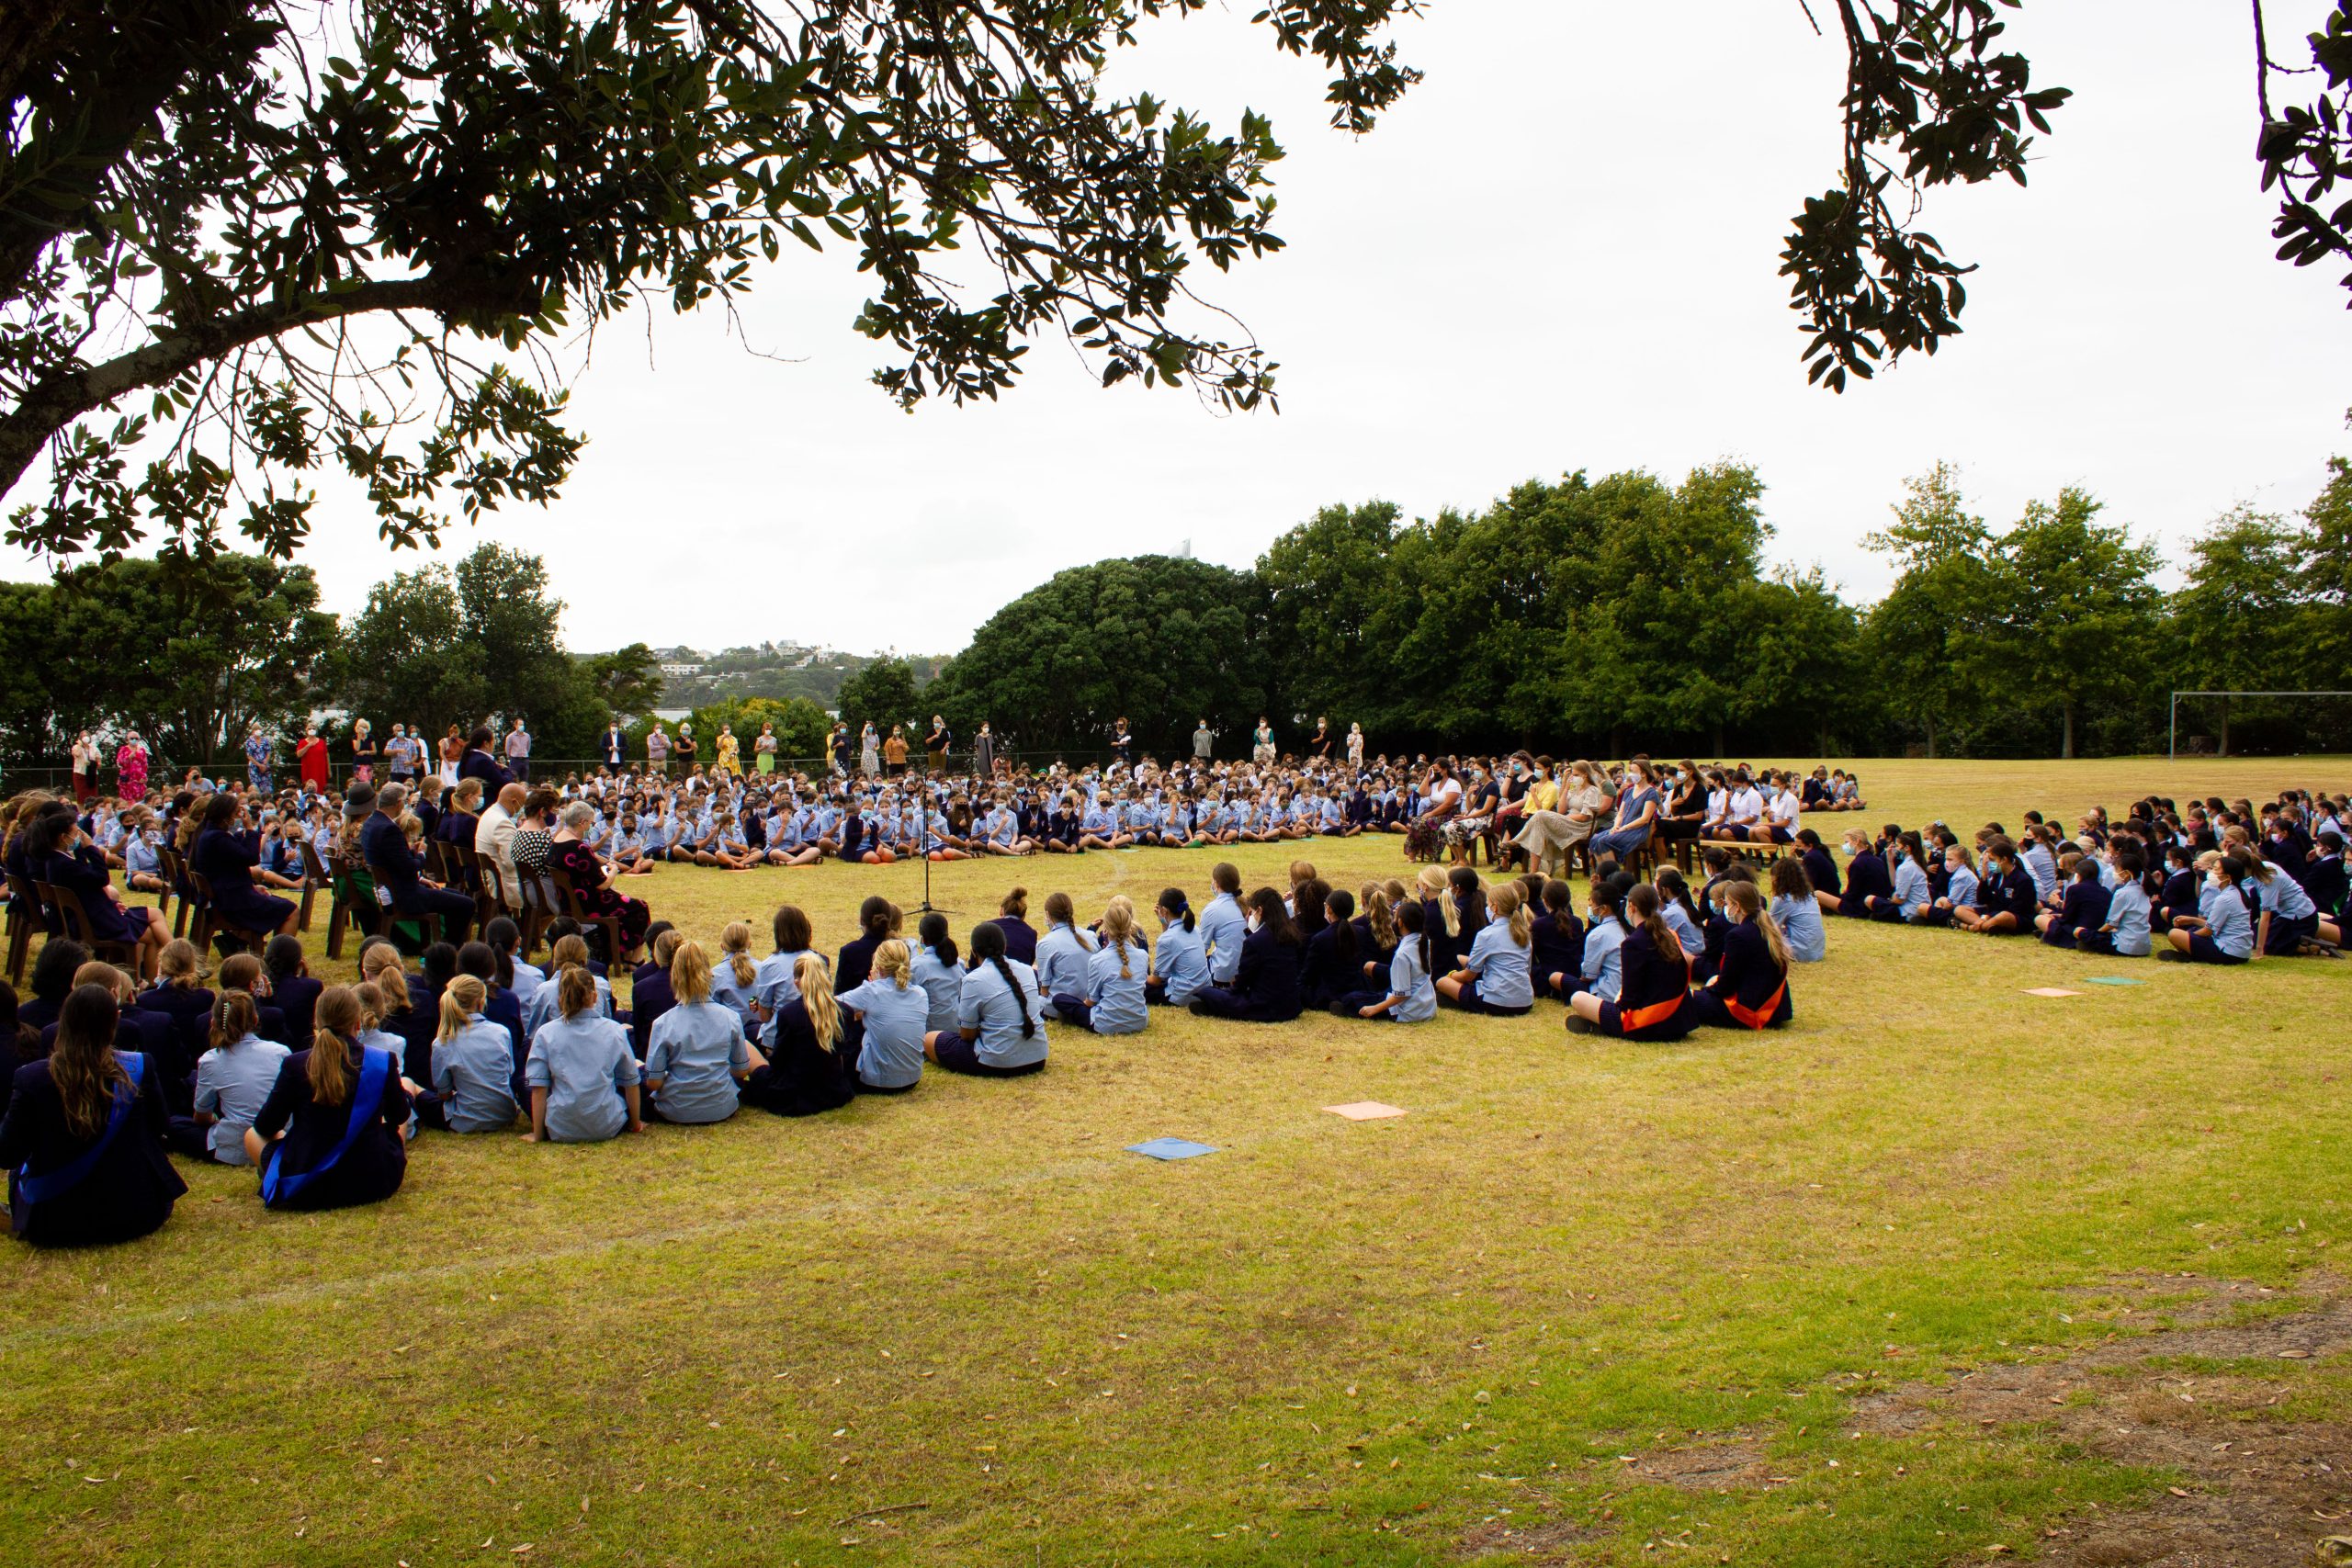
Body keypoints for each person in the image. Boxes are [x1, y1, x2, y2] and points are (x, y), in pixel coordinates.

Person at [0, 982, 186, 1246]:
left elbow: (8, 1153)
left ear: (62, 1023)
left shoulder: (31, 1078)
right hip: (137, 1212)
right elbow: (160, 1126)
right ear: (116, 1022)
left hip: (53, 1222)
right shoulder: (141, 1066)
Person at [246, 985, 413, 1211]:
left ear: (316, 1022)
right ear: (357, 1022)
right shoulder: (382, 1061)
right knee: (392, 1122)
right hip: (373, 1181)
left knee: (251, 1135)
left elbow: (265, 1126)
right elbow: (400, 1115)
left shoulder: (296, 1064)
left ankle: (274, 1171)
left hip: (308, 1185)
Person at [27, 804, 167, 976]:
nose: (79, 836)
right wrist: (90, 848)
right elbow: (101, 878)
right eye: (75, 832)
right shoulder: (64, 865)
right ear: (64, 837)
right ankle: (159, 975)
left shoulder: (56, 860)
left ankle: (167, 967)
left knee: (155, 915)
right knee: (151, 935)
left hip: (92, 915)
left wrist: (80, 850)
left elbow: (88, 883)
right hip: (97, 922)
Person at [524, 966, 642, 1142]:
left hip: (561, 1126)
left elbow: (539, 1088)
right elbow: (631, 1082)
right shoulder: (614, 1031)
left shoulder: (545, 1033)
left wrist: (538, 1135)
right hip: (607, 1123)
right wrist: (635, 1124)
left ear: (560, 999)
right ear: (594, 997)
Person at [645, 942, 759, 1122]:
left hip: (677, 1109)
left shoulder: (663, 1023)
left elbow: (654, 1082)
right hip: (721, 1105)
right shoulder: (730, 1018)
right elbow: (741, 1070)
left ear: (674, 977)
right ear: (709, 974)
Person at [1567, 884, 1695, 1041]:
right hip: (1679, 1020)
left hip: (1648, 1023)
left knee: (1578, 998)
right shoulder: (1669, 935)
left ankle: (1603, 1025)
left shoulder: (1633, 943)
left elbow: (1629, 998)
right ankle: (1600, 1024)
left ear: (1631, 907)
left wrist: (1614, 1007)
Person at [175, 989, 289, 1164]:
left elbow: (201, 1116)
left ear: (213, 1022)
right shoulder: (280, 1052)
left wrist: (215, 1120)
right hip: (280, 1139)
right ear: (256, 1019)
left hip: (237, 1146)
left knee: (175, 1124)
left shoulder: (211, 1059)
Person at [925, 921, 1048, 1076]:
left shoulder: (973, 980)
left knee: (929, 1039)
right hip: (1037, 1058)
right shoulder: (1027, 970)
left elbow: (966, 1035)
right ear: (1004, 947)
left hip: (996, 1062)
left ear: (973, 952)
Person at [361, 784, 474, 944]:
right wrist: (421, 853)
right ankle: (450, 948)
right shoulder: (388, 829)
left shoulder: (371, 823)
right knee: (466, 904)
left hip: (396, 888)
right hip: (406, 895)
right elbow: (409, 867)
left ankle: (446, 945)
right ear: (399, 803)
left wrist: (419, 875)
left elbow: (394, 862)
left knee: (457, 896)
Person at [743, 953, 856, 1112]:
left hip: (795, 1093)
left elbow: (778, 1063)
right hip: (833, 1090)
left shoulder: (789, 1014)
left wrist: (769, 1055)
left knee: (745, 1044)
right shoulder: (845, 1011)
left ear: (797, 983)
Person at [1188, 888, 1305, 1022]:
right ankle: (1211, 1007)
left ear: (1259, 911)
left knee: (1206, 992)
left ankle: (1213, 1007)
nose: (1249, 916)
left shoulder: (1255, 941)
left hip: (1264, 1006)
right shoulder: (1292, 933)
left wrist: (1227, 991)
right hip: (1291, 1005)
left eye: (1252, 912)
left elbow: (1241, 985)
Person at [1689, 881, 1794, 1030]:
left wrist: (1707, 990)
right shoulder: (1766, 928)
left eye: (1727, 903)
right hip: (1776, 1009)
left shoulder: (1738, 935)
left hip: (1748, 1009)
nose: (1725, 908)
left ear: (1736, 906)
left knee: (1687, 998)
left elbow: (1726, 986)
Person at [548, 802, 650, 957]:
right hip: (589, 905)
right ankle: (634, 958)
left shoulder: (557, 842)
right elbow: (604, 884)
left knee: (623, 899)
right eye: (590, 823)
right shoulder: (579, 848)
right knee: (640, 907)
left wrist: (605, 862)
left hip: (569, 901)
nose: (591, 826)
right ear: (582, 823)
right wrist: (614, 870)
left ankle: (625, 953)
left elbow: (590, 860)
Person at [429, 975, 521, 1133]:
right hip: (505, 1114)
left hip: (465, 1119)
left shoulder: (443, 1043)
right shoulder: (501, 1033)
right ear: (481, 1002)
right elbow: (509, 1072)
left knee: (414, 1089)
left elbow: (444, 1094)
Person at [837, 939, 929, 1092]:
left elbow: (831, 1005)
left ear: (878, 968)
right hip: (912, 1078)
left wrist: (872, 986)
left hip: (877, 1082)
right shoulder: (921, 994)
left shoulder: (871, 991)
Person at [1054, 897, 1148, 1034]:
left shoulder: (1097, 959)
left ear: (1106, 929)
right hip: (1139, 1021)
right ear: (1130, 926)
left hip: (1106, 1023)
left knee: (1059, 999)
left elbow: (1091, 1002)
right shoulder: (1142, 956)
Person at [1436, 882, 1534, 1015]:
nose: (1487, 908)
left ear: (1494, 907)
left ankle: (1463, 1000)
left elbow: (1468, 976)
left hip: (1497, 1002)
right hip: (1526, 1000)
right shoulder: (1524, 934)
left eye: (1488, 904)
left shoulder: (1486, 934)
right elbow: (1526, 970)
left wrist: (1451, 975)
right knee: (1459, 958)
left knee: (1442, 982)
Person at [1336, 898, 1436, 1021]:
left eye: (1395, 917)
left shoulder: (1402, 954)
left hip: (1408, 1010)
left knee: (1351, 999)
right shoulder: (1424, 940)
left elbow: (1401, 996)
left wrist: (1374, 1009)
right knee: (1375, 985)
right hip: (1426, 1005)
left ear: (1400, 923)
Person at [1144, 888, 1210, 1006]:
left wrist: (1137, 975)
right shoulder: (1194, 929)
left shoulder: (1167, 939)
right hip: (1203, 989)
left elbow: (1156, 981)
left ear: (1164, 911)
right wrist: (1164, 924)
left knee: (1142, 988)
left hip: (1183, 994)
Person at [1200, 863, 1248, 983]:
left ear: (1216, 883)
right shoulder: (1248, 904)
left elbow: (1201, 952)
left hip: (1223, 976)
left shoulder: (1211, 910)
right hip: (1248, 973)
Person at [115, 729, 151, 802]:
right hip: (127, 780)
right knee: (127, 801)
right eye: (132, 738)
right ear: (127, 740)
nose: (134, 740)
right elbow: (120, 762)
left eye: (136, 738)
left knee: (140, 799)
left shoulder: (142, 750)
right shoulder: (123, 749)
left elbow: (145, 765)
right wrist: (129, 757)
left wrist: (144, 777)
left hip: (139, 780)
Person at [296, 723, 329, 793]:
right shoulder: (302, 742)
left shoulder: (322, 742)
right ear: (306, 730)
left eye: (313, 728)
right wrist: (308, 746)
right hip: (308, 768)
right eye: (310, 728)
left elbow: (326, 755)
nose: (312, 730)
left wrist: (329, 770)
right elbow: (299, 754)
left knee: (321, 786)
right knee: (308, 785)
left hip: (320, 769)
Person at [70, 730, 98, 804]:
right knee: (81, 796)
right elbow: (77, 754)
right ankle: (82, 813)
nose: (85, 737)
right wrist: (79, 745)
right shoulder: (76, 747)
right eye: (83, 736)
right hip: (80, 773)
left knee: (93, 796)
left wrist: (93, 763)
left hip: (91, 774)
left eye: (86, 735)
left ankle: (92, 811)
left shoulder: (94, 748)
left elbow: (99, 761)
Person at [348, 718, 376, 785]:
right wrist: (359, 737)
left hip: (368, 762)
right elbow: (356, 749)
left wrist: (366, 752)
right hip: (358, 763)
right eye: (361, 727)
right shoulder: (355, 737)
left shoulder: (370, 737)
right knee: (359, 782)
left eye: (364, 727)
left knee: (369, 781)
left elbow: (374, 751)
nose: (363, 729)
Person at [504, 716, 532, 782]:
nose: (522, 726)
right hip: (515, 760)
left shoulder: (527, 736)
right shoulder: (510, 737)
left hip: (525, 760)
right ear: (516, 726)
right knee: (512, 778)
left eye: (523, 725)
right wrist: (510, 756)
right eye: (520, 725)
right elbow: (507, 749)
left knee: (524, 779)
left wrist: (525, 754)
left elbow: (528, 747)